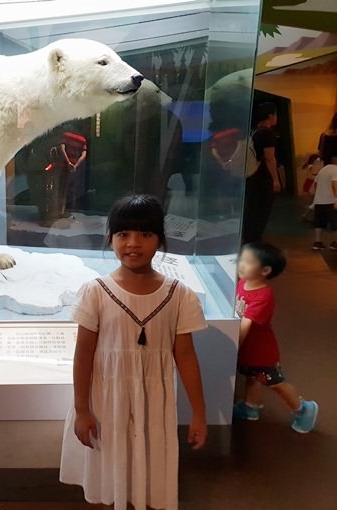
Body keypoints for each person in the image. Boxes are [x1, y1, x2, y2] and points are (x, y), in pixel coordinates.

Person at [60, 194, 208, 510]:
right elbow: (83, 354)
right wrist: (82, 409)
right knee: (104, 475)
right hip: (105, 403)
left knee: (149, 474)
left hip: (154, 404)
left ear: (159, 239)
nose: (133, 243)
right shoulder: (95, 291)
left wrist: (199, 412)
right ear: (111, 238)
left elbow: (185, 356)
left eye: (145, 234)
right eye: (123, 234)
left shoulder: (178, 295)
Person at [233, 242, 318, 433]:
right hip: (248, 349)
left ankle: (303, 409)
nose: (241, 264)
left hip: (261, 352)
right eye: (242, 259)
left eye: (247, 262)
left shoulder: (263, 295)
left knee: (274, 382)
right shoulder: (242, 283)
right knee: (252, 377)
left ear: (265, 270)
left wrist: (232, 345)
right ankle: (250, 407)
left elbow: (247, 323)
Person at [242, 102, 282, 244]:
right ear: (270, 116)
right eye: (275, 114)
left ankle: (248, 236)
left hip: (251, 174)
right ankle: (254, 238)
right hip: (263, 176)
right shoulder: (267, 133)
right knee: (261, 208)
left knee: (251, 207)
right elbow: (270, 158)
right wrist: (276, 180)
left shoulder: (254, 131)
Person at [310, 158, 337, 250]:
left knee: (319, 223)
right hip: (330, 201)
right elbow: (335, 185)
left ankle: (317, 242)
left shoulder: (322, 170)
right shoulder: (335, 170)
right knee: (335, 223)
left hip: (319, 201)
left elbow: (314, 188)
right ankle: (335, 243)